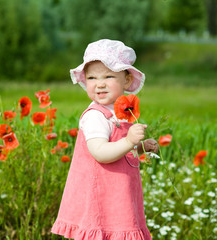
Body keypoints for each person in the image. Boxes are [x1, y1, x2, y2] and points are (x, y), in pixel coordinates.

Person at [51, 39, 159, 240]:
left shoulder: (121, 113)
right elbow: (100, 152)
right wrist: (128, 141)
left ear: (126, 81)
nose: (99, 83)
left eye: (108, 76)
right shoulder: (96, 116)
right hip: (100, 198)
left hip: (118, 196)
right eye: (92, 77)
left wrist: (140, 146)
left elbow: (121, 151)